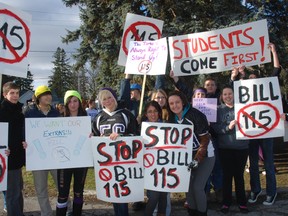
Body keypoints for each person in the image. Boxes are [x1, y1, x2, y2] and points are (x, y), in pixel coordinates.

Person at [230, 43, 279, 206]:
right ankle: (256, 190)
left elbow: (276, 72)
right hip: (250, 132)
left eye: (253, 79)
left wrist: (273, 52)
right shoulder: (243, 92)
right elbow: (234, 87)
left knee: (269, 163)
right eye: (248, 80)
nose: (251, 81)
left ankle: (271, 192)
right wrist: (239, 74)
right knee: (253, 164)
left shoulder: (265, 88)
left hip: (266, 132)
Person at [92, 87, 139, 216]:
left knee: (122, 193)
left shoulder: (126, 114)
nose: (107, 101)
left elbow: (136, 135)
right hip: (107, 162)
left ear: (115, 98)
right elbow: (94, 139)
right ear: (101, 102)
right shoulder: (98, 118)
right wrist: (97, 139)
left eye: (109, 97)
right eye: (104, 99)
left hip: (124, 160)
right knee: (113, 192)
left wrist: (121, 137)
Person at [167, 90, 215, 216]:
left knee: (198, 187)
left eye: (177, 102)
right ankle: (192, 212)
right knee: (188, 188)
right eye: (171, 103)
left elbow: (204, 140)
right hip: (186, 157)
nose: (174, 105)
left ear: (183, 102)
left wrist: (197, 159)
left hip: (205, 155)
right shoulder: (172, 118)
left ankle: (202, 213)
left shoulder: (195, 115)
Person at [211, 85, 249, 214]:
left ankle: (242, 202)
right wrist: (228, 127)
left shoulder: (243, 108)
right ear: (221, 96)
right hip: (225, 148)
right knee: (227, 176)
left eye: (230, 94)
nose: (228, 96)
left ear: (234, 95)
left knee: (239, 176)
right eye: (225, 94)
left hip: (242, 147)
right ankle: (226, 202)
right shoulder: (217, 110)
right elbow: (215, 129)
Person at [23, 85, 60, 216]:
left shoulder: (56, 113)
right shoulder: (30, 113)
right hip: (37, 157)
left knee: (61, 186)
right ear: (38, 98)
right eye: (45, 94)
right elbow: (25, 133)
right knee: (41, 188)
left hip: (55, 156)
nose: (48, 97)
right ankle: (46, 213)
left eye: (49, 94)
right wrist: (24, 141)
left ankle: (66, 210)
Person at [56, 90, 89, 216]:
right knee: (63, 194)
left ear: (79, 102)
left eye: (75, 101)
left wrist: (91, 136)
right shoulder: (60, 120)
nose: (73, 104)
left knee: (78, 192)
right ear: (66, 104)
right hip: (64, 162)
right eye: (69, 102)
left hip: (81, 161)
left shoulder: (86, 119)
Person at [0, 81, 25, 216]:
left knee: (17, 189)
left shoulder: (19, 112)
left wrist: (24, 142)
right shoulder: (2, 112)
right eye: (12, 93)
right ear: (5, 95)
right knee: (12, 193)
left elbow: (20, 134)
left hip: (17, 158)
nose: (15, 96)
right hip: (6, 158)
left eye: (17, 93)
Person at [141, 101, 167, 216]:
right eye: (150, 112)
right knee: (154, 196)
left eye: (155, 111)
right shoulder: (141, 128)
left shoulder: (167, 126)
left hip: (165, 166)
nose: (153, 114)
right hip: (149, 167)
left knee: (163, 195)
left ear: (159, 112)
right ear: (146, 114)